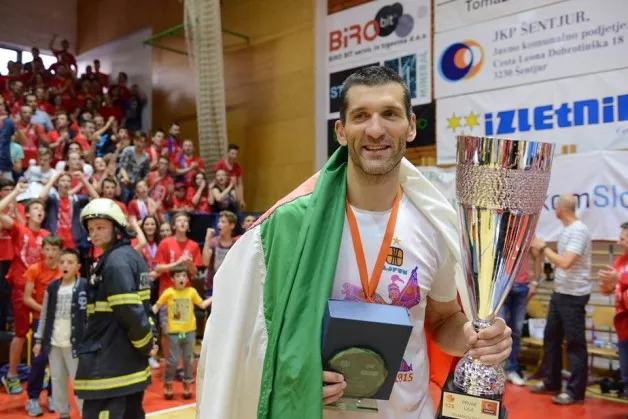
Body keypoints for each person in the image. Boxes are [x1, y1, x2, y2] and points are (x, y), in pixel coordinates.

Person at [196, 66, 512, 419]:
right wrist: (296, 376)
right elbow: (249, 338)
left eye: (389, 114)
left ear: (410, 126)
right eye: (361, 116)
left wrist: (474, 336)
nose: (375, 130)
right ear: (341, 131)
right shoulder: (291, 227)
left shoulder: (433, 224)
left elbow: (442, 321)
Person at [75, 198, 157, 419]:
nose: (94, 234)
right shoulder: (128, 256)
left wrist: (146, 343)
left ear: (117, 228)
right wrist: (149, 339)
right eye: (91, 229)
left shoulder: (115, 262)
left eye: (100, 227)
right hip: (126, 363)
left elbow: (129, 310)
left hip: (109, 365)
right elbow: (144, 308)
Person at [529, 194, 592, 405]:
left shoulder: (578, 230)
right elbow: (561, 263)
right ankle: (552, 382)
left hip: (574, 295)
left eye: (555, 206)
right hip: (560, 292)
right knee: (551, 338)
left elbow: (566, 262)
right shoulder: (567, 230)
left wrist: (543, 248)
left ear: (561, 209)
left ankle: (575, 392)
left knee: (575, 343)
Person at [0, 185, 50, 396]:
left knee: (43, 334)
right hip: (21, 290)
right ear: (27, 213)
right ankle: (11, 375)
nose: (40, 212)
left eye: (43, 209)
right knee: (20, 333)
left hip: (41, 291)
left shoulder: (47, 235)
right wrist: (15, 193)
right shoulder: (20, 230)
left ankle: (41, 372)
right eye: (36, 208)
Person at [33, 249, 88, 419]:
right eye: (62, 262)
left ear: (78, 266)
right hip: (54, 343)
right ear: (58, 265)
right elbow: (44, 315)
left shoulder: (84, 286)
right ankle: (63, 413)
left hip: (76, 345)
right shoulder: (52, 287)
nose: (65, 265)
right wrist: (39, 339)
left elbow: (90, 316)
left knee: (80, 382)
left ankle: (85, 413)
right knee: (57, 381)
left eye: (70, 262)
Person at [153, 265, 211, 399]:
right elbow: (157, 306)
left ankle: (187, 383)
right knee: (173, 360)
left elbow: (202, 304)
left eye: (184, 276)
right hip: (174, 332)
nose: (182, 278)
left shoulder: (191, 292)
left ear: (187, 279)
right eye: (178, 276)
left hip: (189, 331)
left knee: (188, 359)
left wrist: (214, 297)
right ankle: (168, 382)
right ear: (172, 279)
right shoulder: (169, 292)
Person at [23, 235, 63, 416]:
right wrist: (46, 311)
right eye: (47, 249)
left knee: (57, 360)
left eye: (54, 249)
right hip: (42, 320)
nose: (51, 253)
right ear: (42, 250)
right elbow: (27, 298)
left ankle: (54, 395)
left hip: (61, 321)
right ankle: (32, 398)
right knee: (40, 359)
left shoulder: (65, 269)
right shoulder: (34, 269)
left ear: (60, 251)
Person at [499, 251, 543, 386]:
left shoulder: (530, 237)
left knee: (516, 331)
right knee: (499, 330)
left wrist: (535, 282)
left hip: (522, 286)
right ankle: (497, 369)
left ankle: (511, 369)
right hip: (502, 284)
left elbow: (537, 254)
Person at [599, 222, 628, 398]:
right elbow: (608, 289)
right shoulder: (620, 261)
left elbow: (620, 280)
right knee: (626, 373)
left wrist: (620, 278)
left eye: (622, 239)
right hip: (623, 326)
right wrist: (606, 285)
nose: (618, 242)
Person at [202, 211, 238, 316]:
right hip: (212, 287)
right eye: (219, 221)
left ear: (231, 225)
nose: (219, 224)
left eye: (223, 222)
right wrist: (207, 240)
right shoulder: (213, 242)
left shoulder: (236, 244)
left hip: (230, 288)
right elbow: (205, 262)